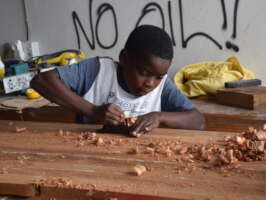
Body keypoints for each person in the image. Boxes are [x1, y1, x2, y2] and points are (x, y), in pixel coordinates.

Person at [31, 25, 205, 137]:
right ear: (124, 58)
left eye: (158, 76)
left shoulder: (163, 86)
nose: (151, 83)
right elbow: (42, 81)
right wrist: (91, 110)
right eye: (144, 72)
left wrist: (159, 116)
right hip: (88, 155)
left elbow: (198, 121)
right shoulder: (98, 70)